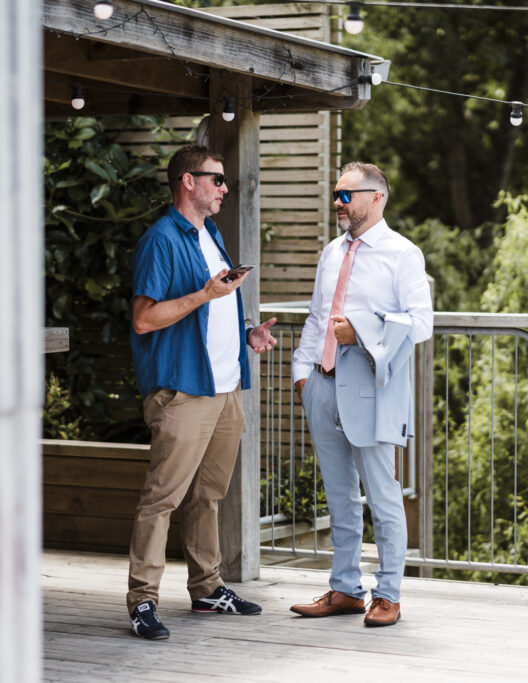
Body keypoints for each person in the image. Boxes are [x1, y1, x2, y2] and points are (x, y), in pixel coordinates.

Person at [126, 144, 278, 640]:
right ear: (188, 181)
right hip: (183, 390)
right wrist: (205, 294)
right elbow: (145, 319)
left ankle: (207, 588)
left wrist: (248, 332)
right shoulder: (161, 240)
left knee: (208, 495)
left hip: (225, 387)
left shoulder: (211, 235)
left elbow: (216, 307)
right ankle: (142, 600)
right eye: (217, 179)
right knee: (161, 499)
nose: (225, 188)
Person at [289, 162, 433, 627]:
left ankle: (387, 594)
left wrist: (363, 332)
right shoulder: (331, 252)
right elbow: (317, 318)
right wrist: (302, 375)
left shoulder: (402, 254)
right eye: (336, 194)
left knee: (383, 496)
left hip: (371, 392)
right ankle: (345, 589)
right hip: (322, 386)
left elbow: (422, 323)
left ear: (376, 198)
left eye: (346, 195)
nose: (338, 202)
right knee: (340, 498)